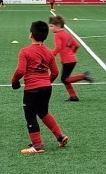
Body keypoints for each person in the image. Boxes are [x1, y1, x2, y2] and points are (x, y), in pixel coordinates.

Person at [11, 20, 67, 154]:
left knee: (30, 114)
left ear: (31, 35)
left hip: (32, 89)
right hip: (46, 87)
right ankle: (60, 136)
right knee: (43, 112)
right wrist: (47, 82)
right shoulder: (49, 52)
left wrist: (14, 82)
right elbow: (55, 72)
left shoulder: (25, 51)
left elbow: (20, 71)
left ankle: (37, 145)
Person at [49, 15, 93, 101]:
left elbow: (58, 47)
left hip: (67, 61)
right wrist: (72, 53)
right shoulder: (67, 34)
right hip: (72, 59)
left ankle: (83, 76)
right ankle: (73, 96)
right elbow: (77, 45)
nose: (50, 28)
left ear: (58, 26)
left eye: (51, 26)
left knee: (64, 79)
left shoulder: (58, 35)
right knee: (65, 79)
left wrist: (51, 55)